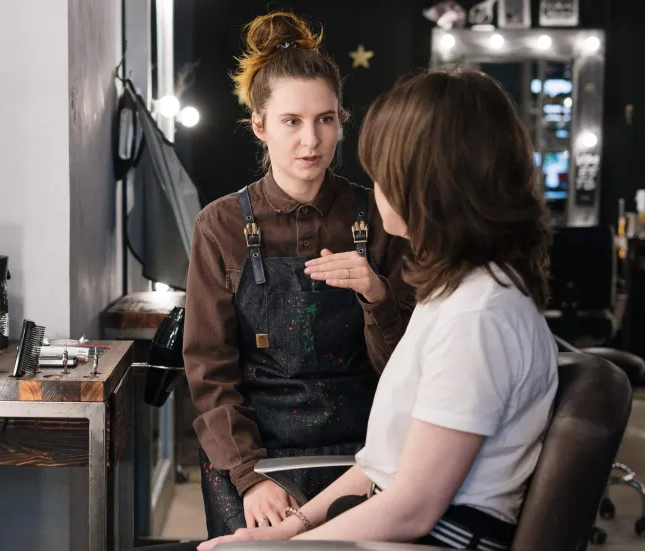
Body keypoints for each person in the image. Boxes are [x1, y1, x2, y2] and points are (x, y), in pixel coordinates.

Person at [197, 69, 559, 551]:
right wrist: (294, 528)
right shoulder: (457, 294)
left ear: (425, 183)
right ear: (260, 125)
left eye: (381, 170)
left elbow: (412, 507)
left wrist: (284, 547)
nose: (370, 186)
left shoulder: (478, 317)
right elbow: (381, 464)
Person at [183, 11, 415, 538]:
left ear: (342, 120)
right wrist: (248, 475)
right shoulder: (219, 226)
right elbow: (209, 370)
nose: (312, 140)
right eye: (292, 121)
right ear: (259, 125)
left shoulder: (380, 217)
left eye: (326, 119)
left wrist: (377, 295)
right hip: (253, 454)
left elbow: (407, 368)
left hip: (365, 453)